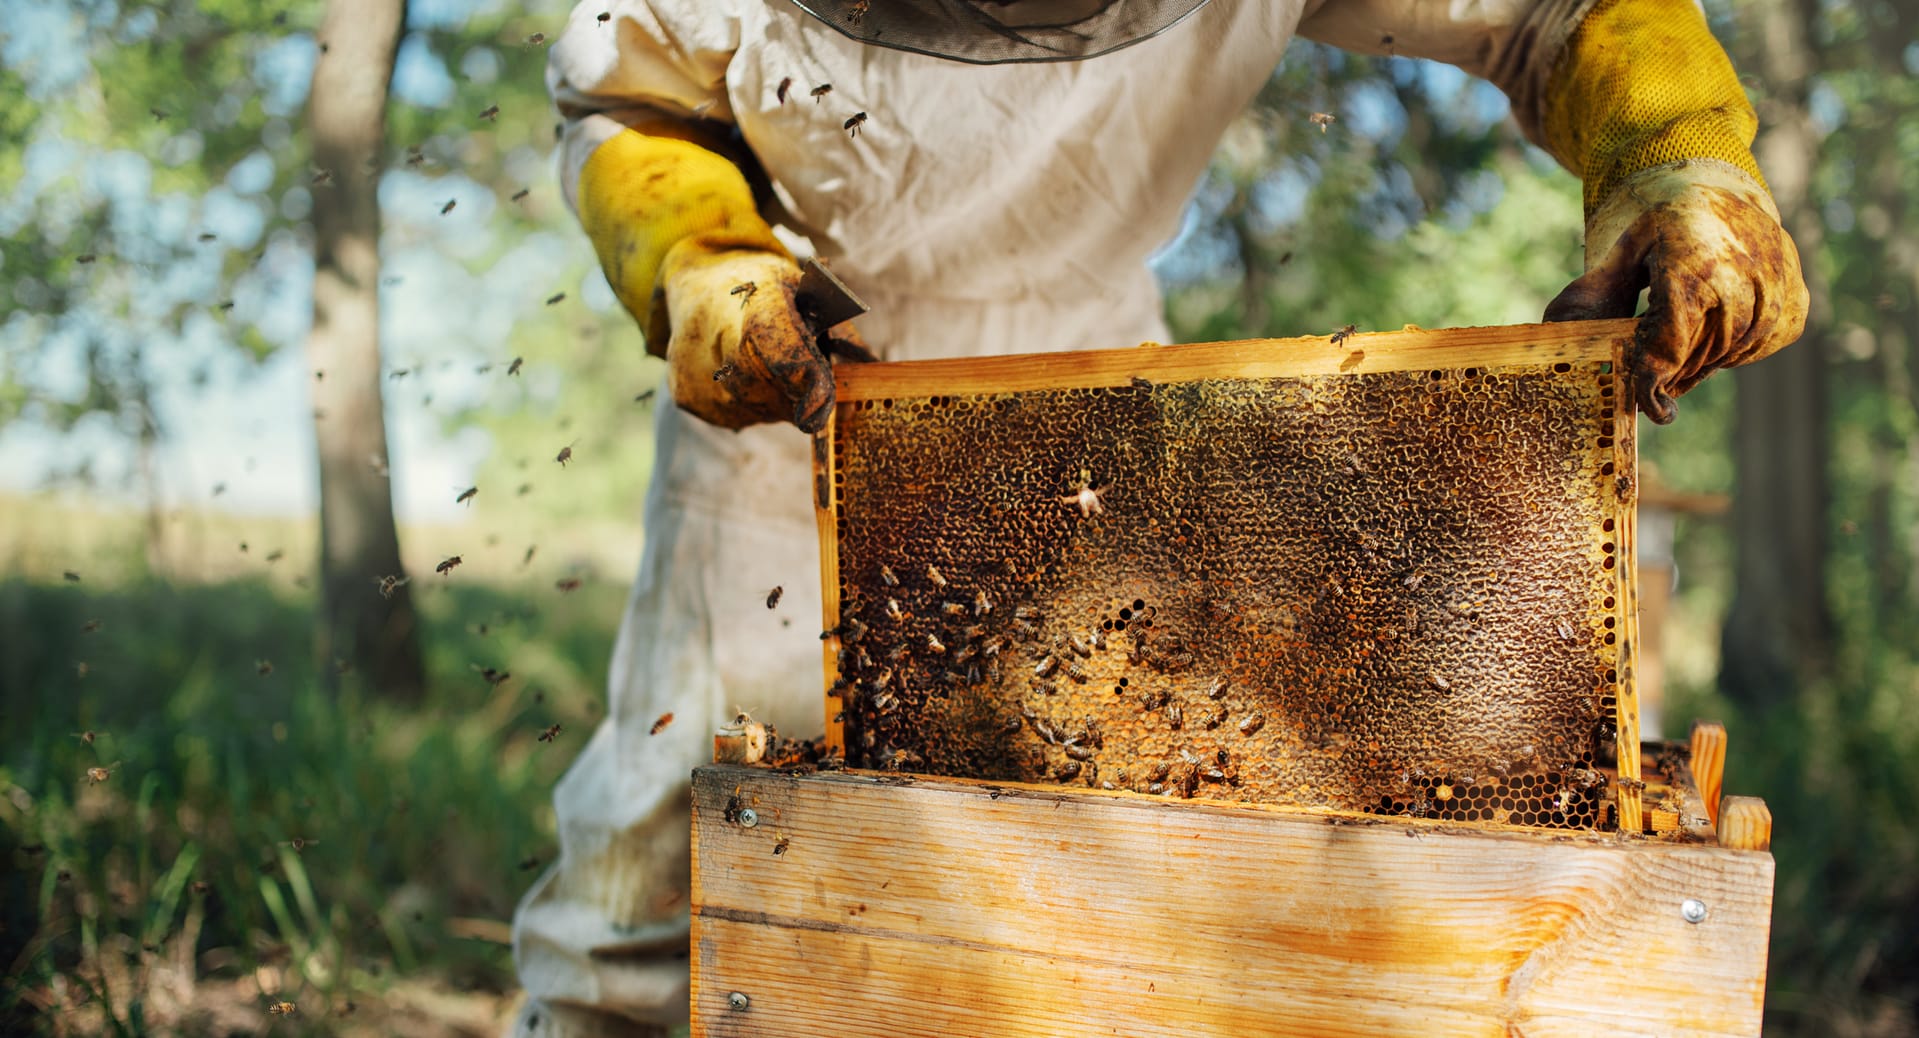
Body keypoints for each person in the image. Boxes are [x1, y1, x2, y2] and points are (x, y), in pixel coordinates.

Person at [509, 0, 1808, 1033]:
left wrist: (1679, 157)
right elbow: (631, 90)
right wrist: (698, 252)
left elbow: (1562, 10)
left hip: (1100, 396)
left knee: (1093, 863)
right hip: (794, 375)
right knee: (656, 876)